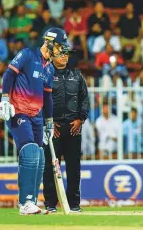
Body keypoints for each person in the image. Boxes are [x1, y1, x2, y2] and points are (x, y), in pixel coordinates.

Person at [0, 28, 69, 215]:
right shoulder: (27, 54)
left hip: (37, 116)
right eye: (60, 47)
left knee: (38, 156)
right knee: (29, 151)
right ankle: (25, 202)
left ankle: (32, 201)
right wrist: (5, 99)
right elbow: (9, 74)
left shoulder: (50, 68)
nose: (62, 51)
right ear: (50, 43)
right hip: (18, 111)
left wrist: (49, 122)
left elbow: (48, 97)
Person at [42, 36, 89, 213]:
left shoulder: (77, 75)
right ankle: (50, 204)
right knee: (49, 168)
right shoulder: (45, 74)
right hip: (53, 129)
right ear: (52, 56)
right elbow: (40, 101)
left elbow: (85, 100)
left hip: (73, 127)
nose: (64, 56)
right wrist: (48, 123)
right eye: (60, 53)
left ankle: (74, 204)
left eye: (66, 53)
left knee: (74, 168)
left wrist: (81, 119)